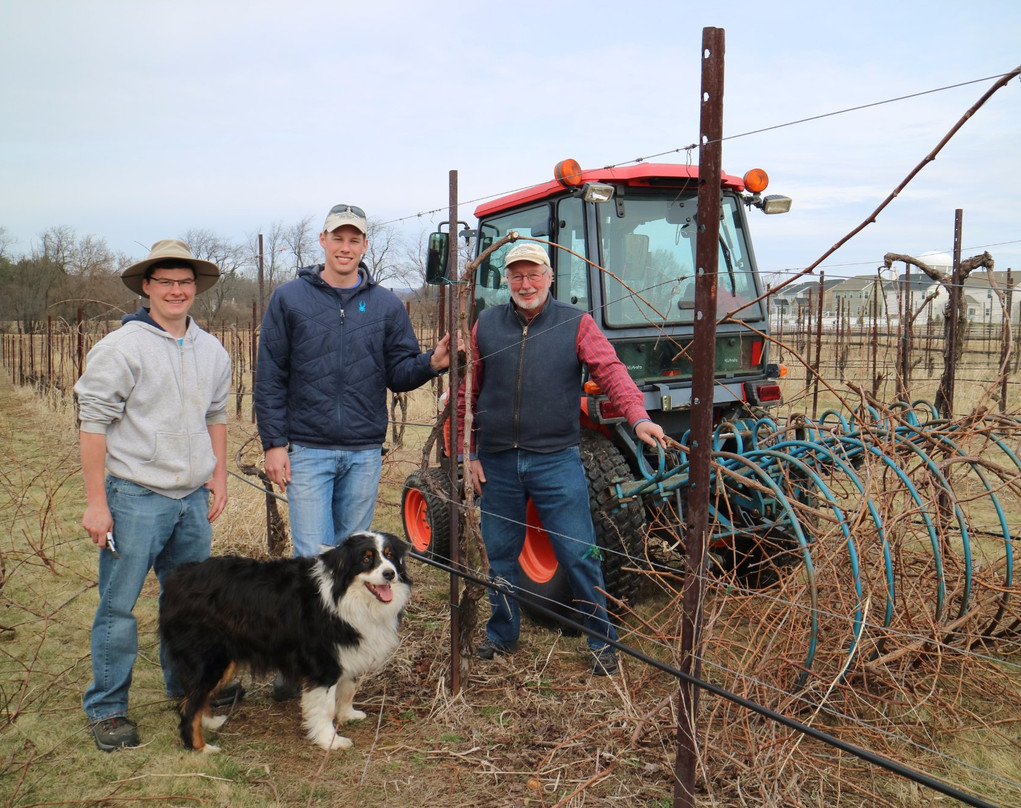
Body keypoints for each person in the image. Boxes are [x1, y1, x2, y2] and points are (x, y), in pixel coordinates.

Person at [254, 204, 449, 697]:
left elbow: (399, 372)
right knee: (311, 563)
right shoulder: (289, 298)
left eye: (354, 239)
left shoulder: (385, 305)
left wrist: (432, 362)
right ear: (323, 240)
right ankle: (298, 663)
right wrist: (274, 443)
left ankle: (337, 663)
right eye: (338, 238)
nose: (345, 247)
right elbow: (270, 375)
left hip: (363, 451)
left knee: (356, 566)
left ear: (364, 246)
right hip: (308, 450)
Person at [459, 241, 666, 676]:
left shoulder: (576, 323)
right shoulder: (486, 324)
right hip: (497, 462)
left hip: (555, 461)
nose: (525, 284)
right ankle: (502, 634)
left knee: (579, 553)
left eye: (534, 274)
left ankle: (602, 642)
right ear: (506, 280)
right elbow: (467, 391)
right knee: (499, 555)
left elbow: (611, 371)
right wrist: (469, 452)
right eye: (517, 275)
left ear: (550, 277)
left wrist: (638, 416)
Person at [76, 239, 233, 752]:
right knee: (119, 605)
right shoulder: (121, 348)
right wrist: (97, 502)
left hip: (191, 501)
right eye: (165, 281)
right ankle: (107, 708)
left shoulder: (212, 350)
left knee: (191, 603)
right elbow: (93, 423)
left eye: (184, 282)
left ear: (196, 288)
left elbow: (216, 416)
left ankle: (185, 687)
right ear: (147, 287)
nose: (176, 291)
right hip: (135, 495)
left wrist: (219, 477)